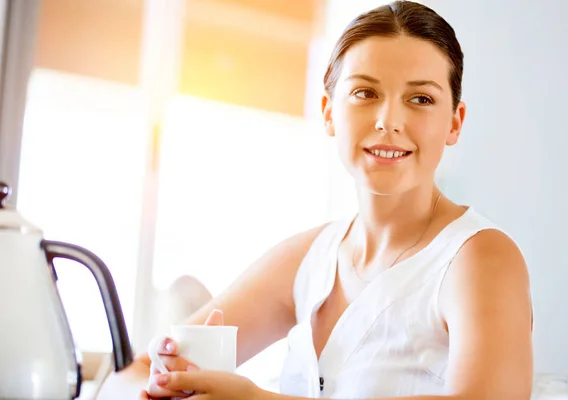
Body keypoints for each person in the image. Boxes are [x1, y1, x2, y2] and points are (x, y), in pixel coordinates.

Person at [98, 1, 533, 399]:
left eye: (420, 99)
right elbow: (131, 376)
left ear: (454, 123)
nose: (389, 122)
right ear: (328, 111)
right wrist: (166, 382)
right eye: (365, 93)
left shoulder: (480, 258)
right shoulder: (310, 256)